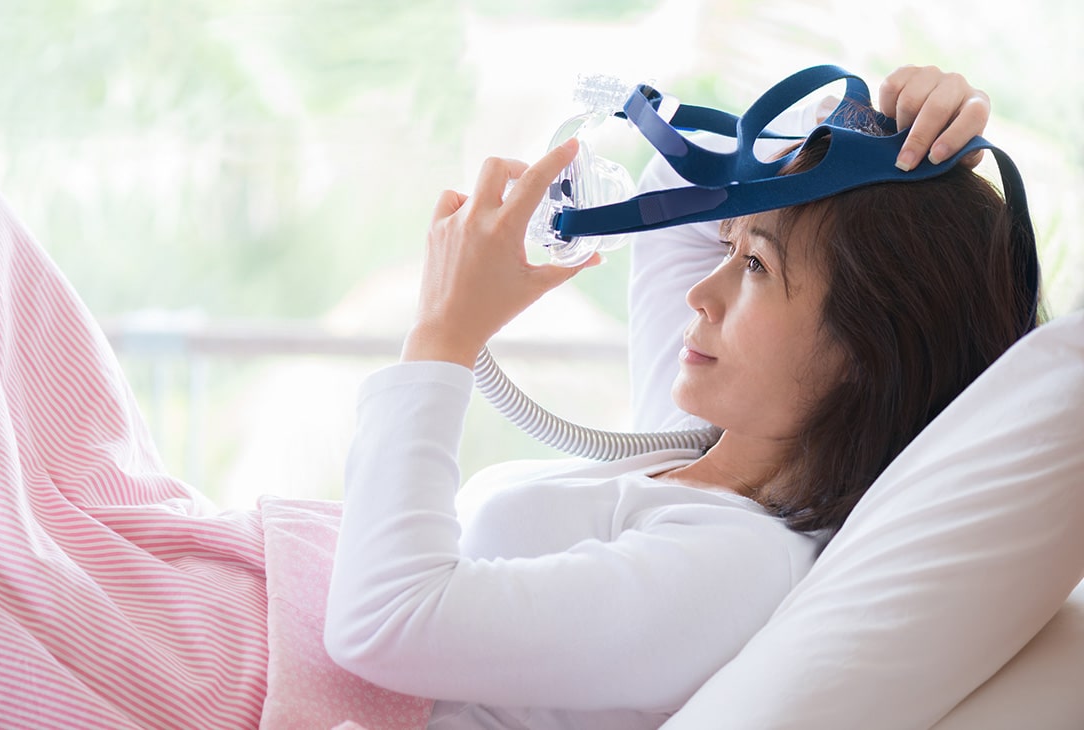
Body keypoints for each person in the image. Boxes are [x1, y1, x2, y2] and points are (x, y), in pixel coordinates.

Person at [322, 64, 1037, 729]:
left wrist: (443, 334)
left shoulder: (736, 564)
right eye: (728, 245)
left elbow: (384, 619)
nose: (701, 292)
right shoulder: (695, 442)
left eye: (753, 264)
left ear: (868, 347)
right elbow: (680, 168)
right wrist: (866, 130)